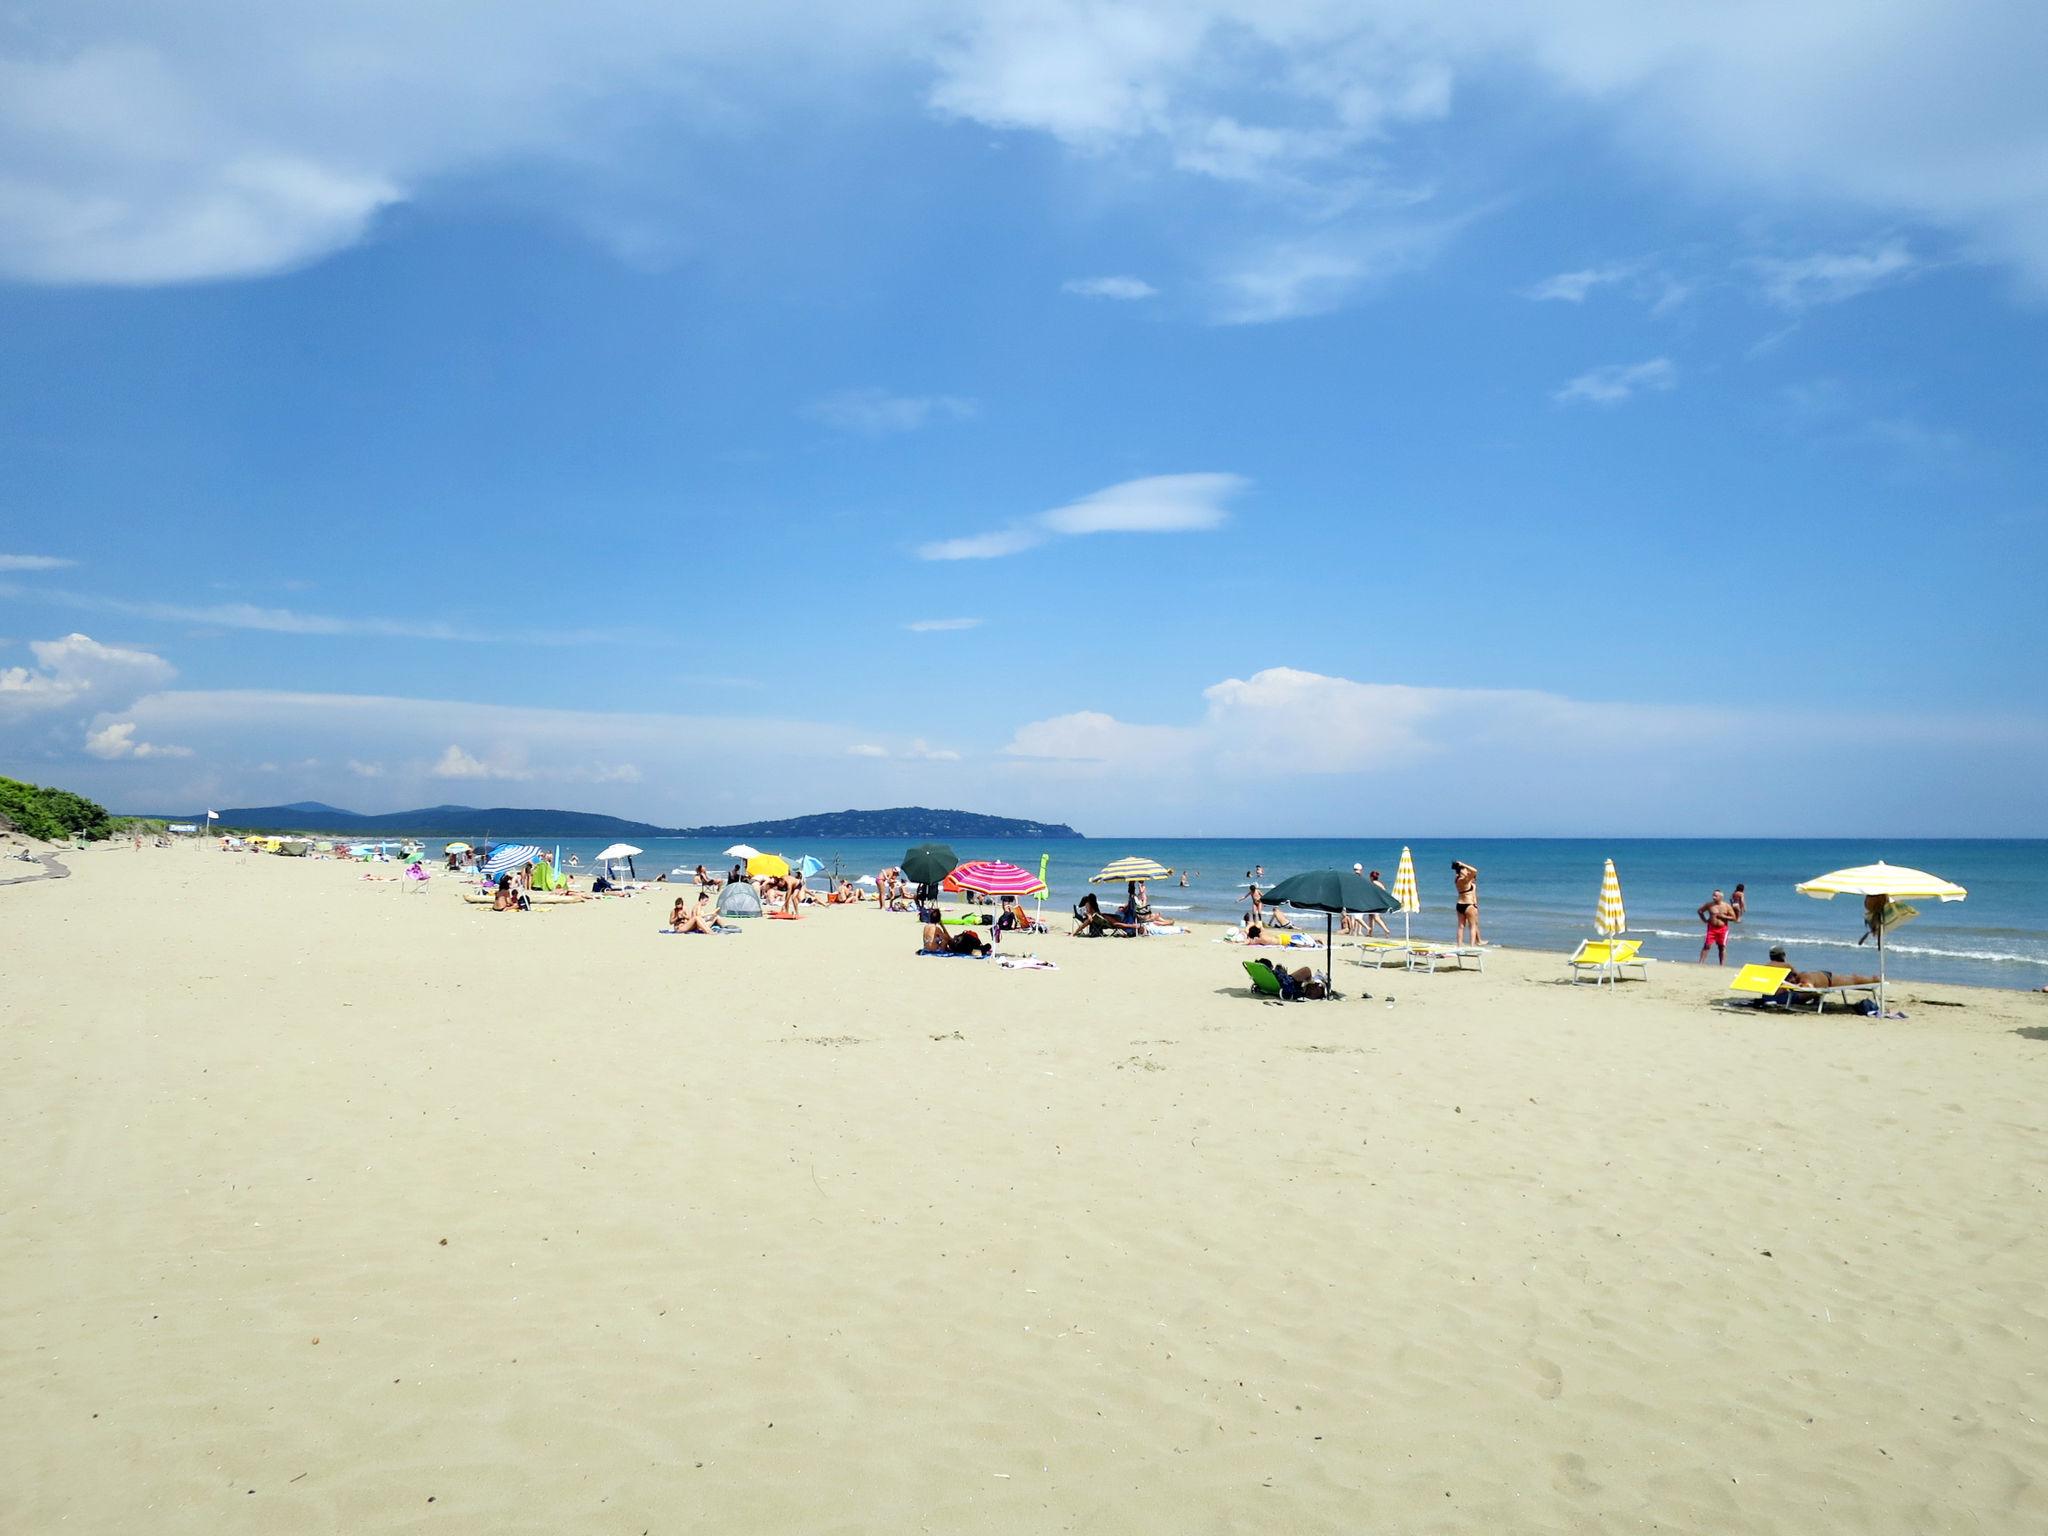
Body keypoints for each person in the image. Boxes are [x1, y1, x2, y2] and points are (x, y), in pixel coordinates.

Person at [1764, 946, 1879, 998]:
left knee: (1853, 979)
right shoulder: (1787, 966)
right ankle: (1875, 979)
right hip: (1823, 979)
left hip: (1818, 979)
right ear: (1783, 956)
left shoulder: (1765, 967)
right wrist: (1798, 984)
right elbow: (1803, 983)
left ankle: (1874, 979)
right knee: (1853, 979)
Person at [1698, 888, 1737, 964]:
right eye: (1713, 895)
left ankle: (1721, 965)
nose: (1713, 897)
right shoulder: (1709, 905)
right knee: (1707, 945)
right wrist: (1704, 920)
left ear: (1720, 897)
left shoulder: (1727, 906)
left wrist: (1724, 917)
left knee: (1721, 947)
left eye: (1715, 896)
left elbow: (1734, 918)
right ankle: (1701, 963)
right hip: (1711, 928)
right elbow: (1700, 911)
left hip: (1722, 929)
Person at [922, 918, 988, 955]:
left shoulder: (956, 944)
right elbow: (949, 938)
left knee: (946, 940)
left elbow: (948, 938)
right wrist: (942, 925)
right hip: (965, 945)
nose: (955, 936)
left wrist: (942, 926)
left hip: (964, 944)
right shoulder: (958, 944)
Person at [1451, 860, 1480, 945]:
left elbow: (1461, 872)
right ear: (1462, 871)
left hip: (1459, 904)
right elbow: (1475, 871)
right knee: (1472, 926)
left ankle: (1459, 945)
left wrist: (1460, 867)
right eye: (1465, 869)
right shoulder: (1465, 880)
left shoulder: (1457, 879)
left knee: (1461, 926)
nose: (1467, 870)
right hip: (1469, 904)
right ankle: (1471, 946)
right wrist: (1463, 864)